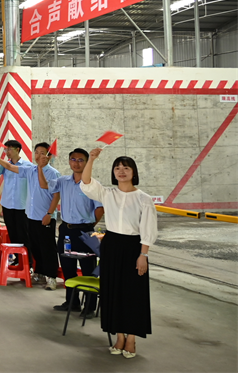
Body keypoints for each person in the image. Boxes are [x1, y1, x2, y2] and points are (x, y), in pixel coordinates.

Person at [81, 149, 156, 359]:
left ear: (134, 172)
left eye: (126, 168)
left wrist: (143, 255)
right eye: (117, 168)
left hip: (134, 247)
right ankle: (119, 336)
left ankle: (131, 338)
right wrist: (91, 159)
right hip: (111, 245)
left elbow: (148, 229)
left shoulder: (144, 199)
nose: (121, 171)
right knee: (112, 291)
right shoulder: (108, 194)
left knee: (133, 293)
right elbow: (86, 183)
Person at [0, 142, 61, 289]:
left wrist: (49, 213)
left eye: (43, 153)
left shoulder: (53, 173)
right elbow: (10, 167)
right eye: (37, 153)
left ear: (49, 156)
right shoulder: (30, 170)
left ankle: (51, 277)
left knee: (47, 247)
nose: (39, 156)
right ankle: (39, 273)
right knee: (35, 246)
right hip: (31, 215)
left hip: (45, 216)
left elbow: (56, 196)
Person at [52, 148, 104, 317]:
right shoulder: (63, 181)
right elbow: (45, 185)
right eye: (73, 159)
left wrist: (89, 225)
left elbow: (100, 209)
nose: (76, 163)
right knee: (68, 267)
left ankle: (89, 306)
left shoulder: (93, 185)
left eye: (81, 160)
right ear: (69, 161)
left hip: (85, 232)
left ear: (87, 162)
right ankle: (72, 302)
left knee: (88, 269)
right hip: (66, 230)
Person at [0, 140, 33, 266]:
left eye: (9, 149)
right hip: (7, 204)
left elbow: (10, 167)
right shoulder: (5, 165)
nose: (7, 152)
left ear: (18, 149)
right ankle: (18, 259)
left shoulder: (28, 165)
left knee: (23, 235)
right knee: (13, 234)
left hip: (22, 205)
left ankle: (28, 263)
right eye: (6, 149)